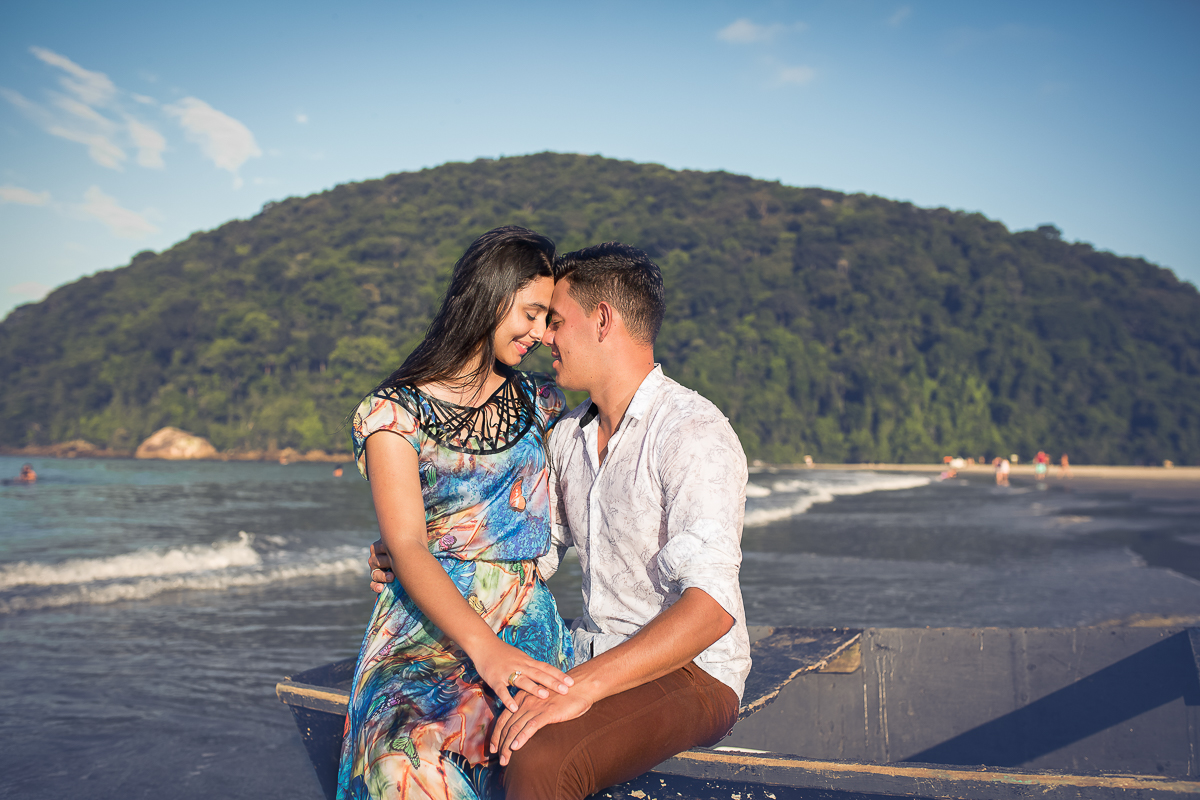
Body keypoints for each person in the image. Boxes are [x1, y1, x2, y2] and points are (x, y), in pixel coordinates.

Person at [370, 243, 751, 800]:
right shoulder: (569, 437)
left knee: (537, 757)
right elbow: (526, 553)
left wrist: (584, 689)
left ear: (602, 321)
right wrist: (412, 553)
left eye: (558, 321)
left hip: (692, 672)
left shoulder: (691, 432)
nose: (546, 336)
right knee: (438, 729)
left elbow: (712, 610)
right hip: (584, 654)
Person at [339, 226, 576, 800]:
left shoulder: (544, 404)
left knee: (506, 748)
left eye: (549, 319)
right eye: (532, 313)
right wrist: (484, 649)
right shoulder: (393, 414)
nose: (542, 334)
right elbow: (409, 546)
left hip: (523, 621)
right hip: (423, 628)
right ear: (491, 296)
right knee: (404, 759)